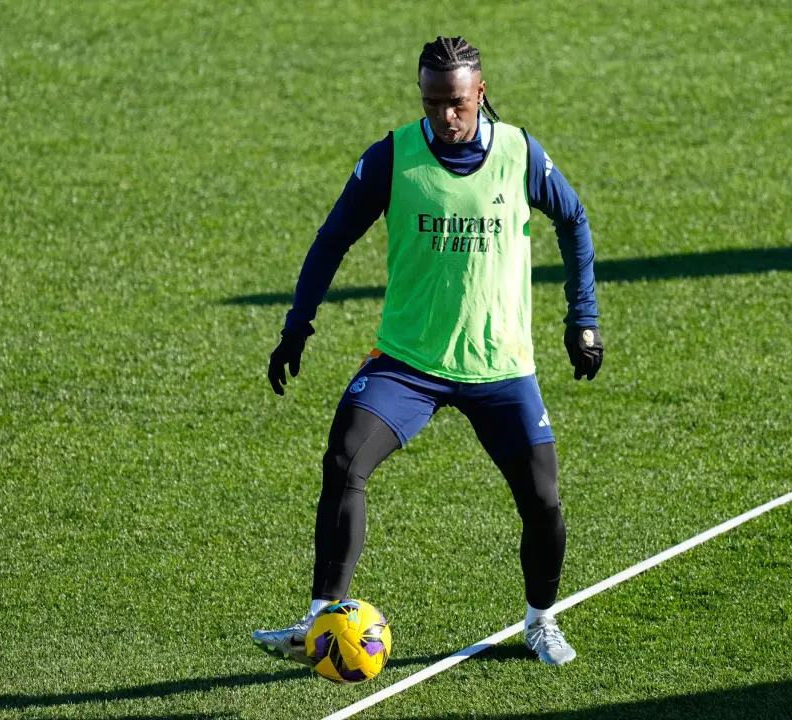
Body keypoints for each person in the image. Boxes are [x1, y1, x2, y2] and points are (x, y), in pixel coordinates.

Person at [253, 36, 602, 666]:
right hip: (408, 364)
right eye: (433, 101)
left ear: (480, 94)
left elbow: (573, 220)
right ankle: (319, 622)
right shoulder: (393, 157)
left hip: (499, 367)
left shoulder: (520, 153)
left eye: (458, 102)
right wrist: (296, 326)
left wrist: (584, 319)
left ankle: (540, 621)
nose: (446, 115)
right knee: (344, 462)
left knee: (543, 500)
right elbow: (332, 239)